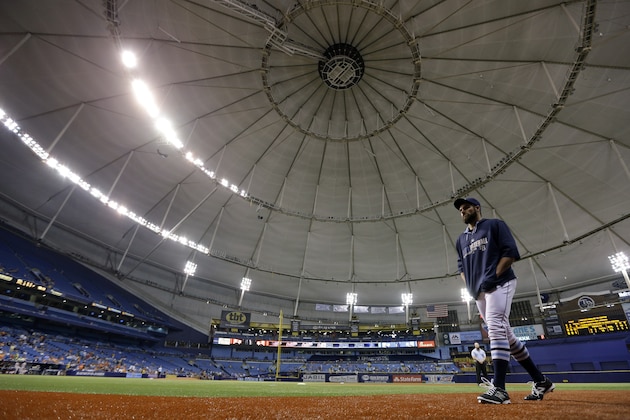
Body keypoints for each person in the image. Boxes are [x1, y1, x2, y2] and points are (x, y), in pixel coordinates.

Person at [454, 197, 554, 404]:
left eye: (467, 207)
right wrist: (470, 285)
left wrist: (494, 275)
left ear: (477, 208)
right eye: (461, 209)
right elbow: (461, 268)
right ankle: (540, 380)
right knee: (506, 335)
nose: (463, 211)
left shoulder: (494, 225)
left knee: (496, 328)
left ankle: (499, 388)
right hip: (479, 291)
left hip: (501, 282)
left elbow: (510, 254)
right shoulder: (460, 240)